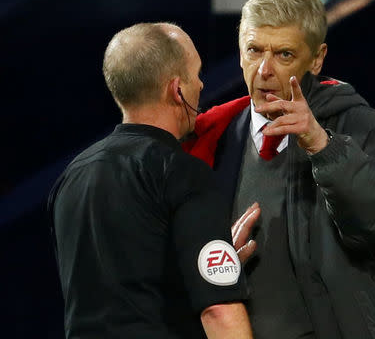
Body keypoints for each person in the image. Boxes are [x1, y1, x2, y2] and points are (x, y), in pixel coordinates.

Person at [183, 0, 375, 339]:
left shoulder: (373, 130)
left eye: (284, 54)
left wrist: (323, 146)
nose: (264, 69)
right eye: (254, 50)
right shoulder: (211, 139)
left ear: (317, 58)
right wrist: (218, 267)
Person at [48, 22, 259, 339]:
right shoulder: (182, 172)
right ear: (177, 90)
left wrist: (211, 257)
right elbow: (219, 311)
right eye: (196, 73)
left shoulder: (70, 178)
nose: (201, 85)